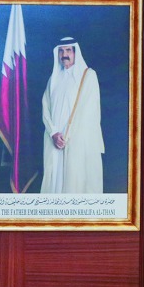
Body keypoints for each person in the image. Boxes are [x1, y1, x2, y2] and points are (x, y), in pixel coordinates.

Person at [40, 37, 104, 194]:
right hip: (55, 140)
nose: (64, 55)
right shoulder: (53, 79)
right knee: (54, 185)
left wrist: (67, 136)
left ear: (76, 53)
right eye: (61, 51)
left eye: (68, 50)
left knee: (76, 183)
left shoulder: (88, 76)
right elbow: (45, 108)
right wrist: (54, 133)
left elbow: (89, 112)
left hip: (76, 142)